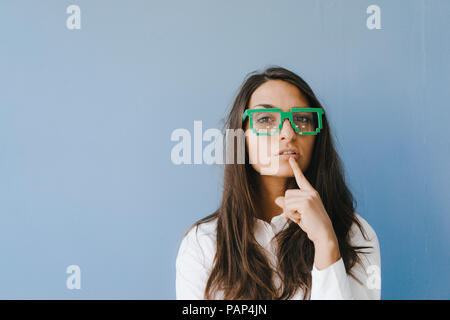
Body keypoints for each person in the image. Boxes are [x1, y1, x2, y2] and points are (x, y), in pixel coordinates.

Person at [175, 66, 381, 299]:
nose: (287, 133)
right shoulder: (202, 243)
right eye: (265, 120)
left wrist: (326, 242)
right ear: (240, 136)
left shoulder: (356, 235)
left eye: (302, 119)